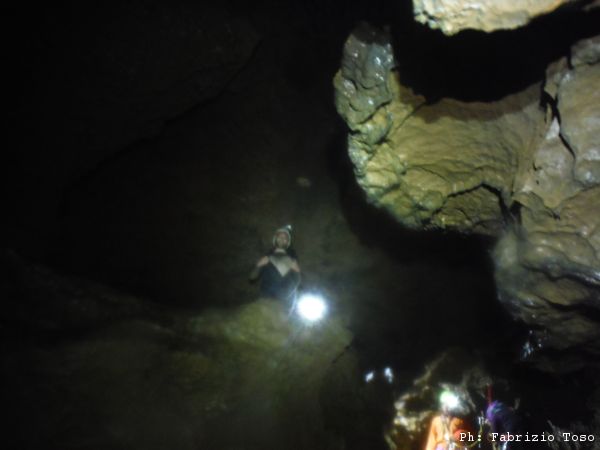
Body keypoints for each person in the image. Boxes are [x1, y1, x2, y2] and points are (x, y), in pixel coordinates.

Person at [250, 225, 301, 302]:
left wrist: (297, 272)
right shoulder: (267, 256)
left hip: (284, 301)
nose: (282, 239)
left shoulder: (292, 258)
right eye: (279, 237)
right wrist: (258, 266)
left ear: (288, 241)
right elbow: (252, 278)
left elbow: (297, 282)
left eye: (285, 238)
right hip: (265, 300)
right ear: (275, 239)